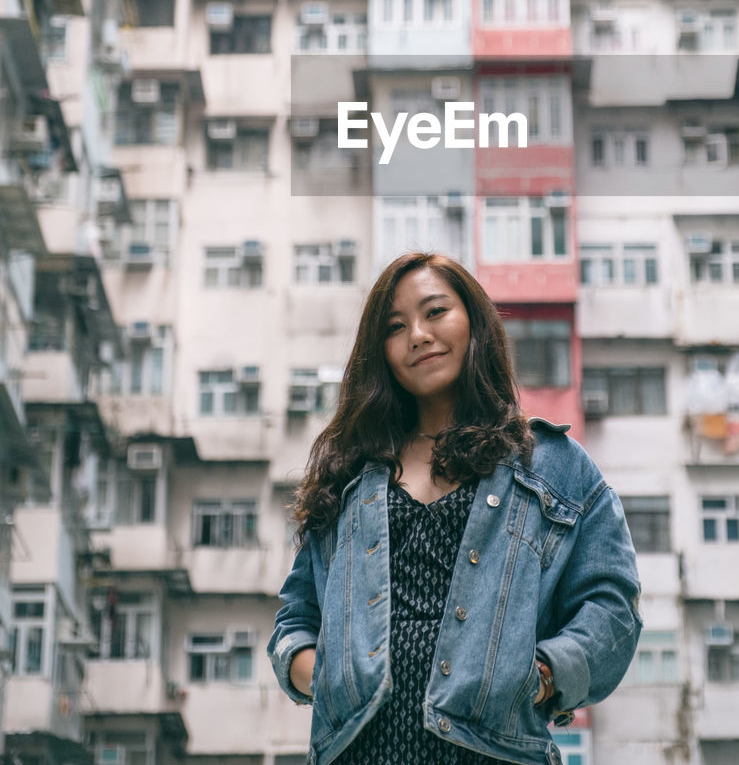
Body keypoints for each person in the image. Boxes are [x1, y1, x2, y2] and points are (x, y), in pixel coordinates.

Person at [268, 251, 642, 765]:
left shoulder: (553, 466)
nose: (418, 334)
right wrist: (324, 675)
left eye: (435, 311)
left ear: (474, 321)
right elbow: (296, 617)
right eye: (396, 327)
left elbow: (612, 607)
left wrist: (542, 677)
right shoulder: (349, 475)